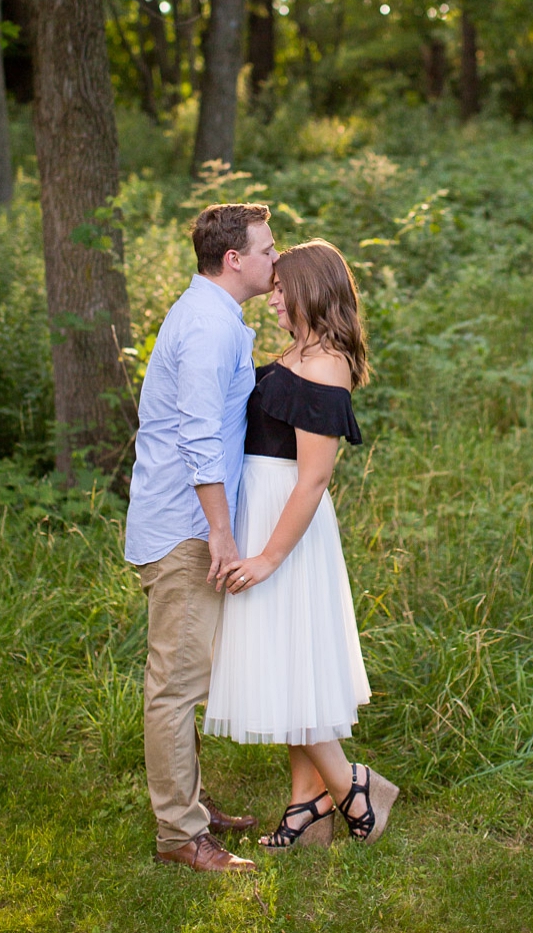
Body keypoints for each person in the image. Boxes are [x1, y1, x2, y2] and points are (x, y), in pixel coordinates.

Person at [204, 239, 399, 849]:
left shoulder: (327, 364)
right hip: (264, 516)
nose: (275, 298)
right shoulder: (299, 352)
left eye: (284, 288)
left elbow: (313, 478)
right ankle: (305, 803)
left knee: (289, 665)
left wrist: (266, 556)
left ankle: (351, 786)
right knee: (285, 661)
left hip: (287, 529)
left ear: (312, 289)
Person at [124, 202, 278, 875]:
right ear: (234, 258)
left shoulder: (214, 317)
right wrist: (220, 530)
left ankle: (189, 801)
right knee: (176, 682)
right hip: (186, 528)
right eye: (268, 249)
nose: (278, 259)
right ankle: (180, 833)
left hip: (191, 521)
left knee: (189, 672)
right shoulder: (210, 327)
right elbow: (196, 435)